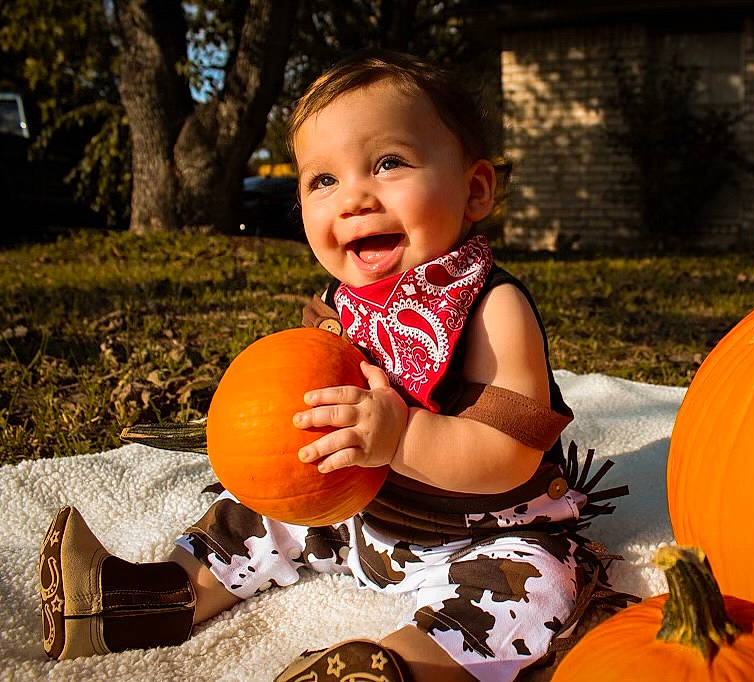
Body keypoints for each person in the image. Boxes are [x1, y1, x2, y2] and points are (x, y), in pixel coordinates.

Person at [39, 50, 628, 682]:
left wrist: (401, 433)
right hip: (361, 519)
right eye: (323, 180)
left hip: (482, 536)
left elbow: (506, 454)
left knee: (530, 594)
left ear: (475, 188)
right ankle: (146, 600)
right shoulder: (340, 306)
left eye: (388, 163)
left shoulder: (491, 308)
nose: (353, 198)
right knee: (260, 509)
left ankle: (403, 667)